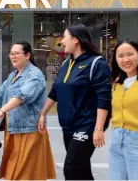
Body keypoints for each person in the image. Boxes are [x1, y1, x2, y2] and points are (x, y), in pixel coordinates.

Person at [38, 23, 112, 180]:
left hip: (87, 125)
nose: (62, 41)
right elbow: (55, 91)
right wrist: (43, 114)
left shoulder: (96, 64)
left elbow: (104, 98)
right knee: (81, 170)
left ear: (76, 40)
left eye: (65, 37)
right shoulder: (66, 63)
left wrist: (98, 128)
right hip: (68, 125)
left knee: (71, 168)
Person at [0, 40, 56, 180]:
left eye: (17, 53)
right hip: (13, 128)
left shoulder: (34, 75)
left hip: (29, 130)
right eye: (11, 54)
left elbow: (20, 97)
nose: (13, 56)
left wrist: (1, 112)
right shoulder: (13, 76)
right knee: (13, 169)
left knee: (26, 172)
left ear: (27, 55)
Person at [109, 38, 138, 180]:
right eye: (120, 56)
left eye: (130, 54)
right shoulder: (117, 84)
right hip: (117, 138)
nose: (126, 60)